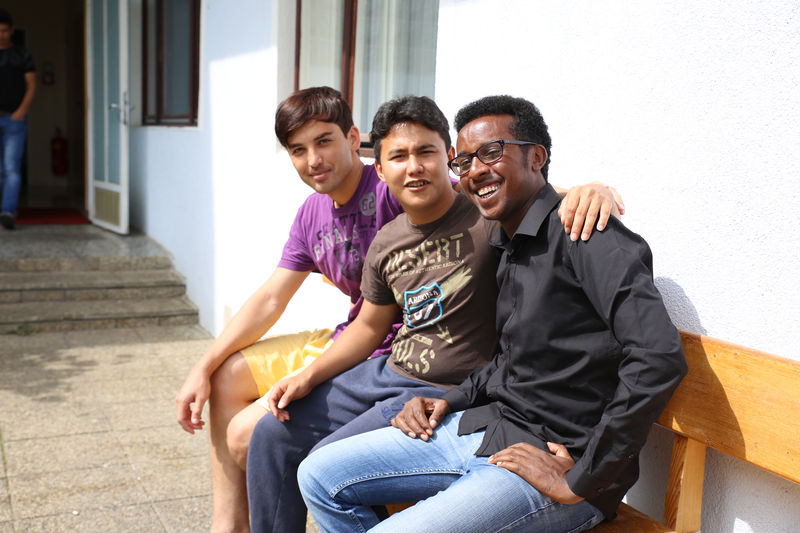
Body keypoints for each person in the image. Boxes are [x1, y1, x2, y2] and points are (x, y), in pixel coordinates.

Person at [175, 87, 616, 533]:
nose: (414, 166)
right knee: (271, 432)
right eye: (399, 157)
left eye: (427, 152)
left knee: (321, 467)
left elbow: (533, 193)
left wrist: (588, 190)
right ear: (381, 168)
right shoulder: (384, 239)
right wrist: (305, 376)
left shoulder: (484, 211)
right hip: (387, 367)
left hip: (442, 385)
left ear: (448, 157)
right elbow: (368, 326)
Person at [297, 95, 688, 533]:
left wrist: (585, 477)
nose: (475, 171)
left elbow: (658, 356)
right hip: (489, 428)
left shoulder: (586, 234)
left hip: (556, 460)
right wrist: (450, 399)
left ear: (536, 157)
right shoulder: (508, 243)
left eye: (491, 152)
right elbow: (507, 362)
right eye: (464, 161)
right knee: (318, 475)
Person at [0, 9, 36, 230]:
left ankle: (8, 212)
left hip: (14, 120)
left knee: (11, 167)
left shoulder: (23, 54)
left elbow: (32, 85)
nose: (1, 35)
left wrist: (21, 111)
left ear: (12, 30)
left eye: (4, 30)